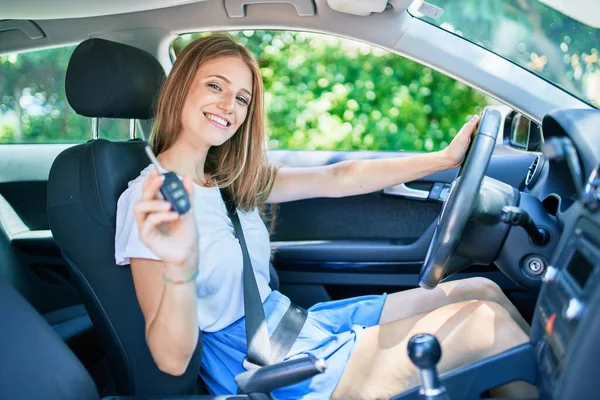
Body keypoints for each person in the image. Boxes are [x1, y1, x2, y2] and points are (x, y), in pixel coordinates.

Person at [115, 34, 535, 399]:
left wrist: (442, 159)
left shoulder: (227, 180)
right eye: (214, 86)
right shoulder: (150, 201)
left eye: (242, 98)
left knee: (482, 291)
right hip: (263, 366)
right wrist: (178, 266)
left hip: (293, 326)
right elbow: (171, 359)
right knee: (485, 324)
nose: (229, 105)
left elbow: (339, 176)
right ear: (181, 88)